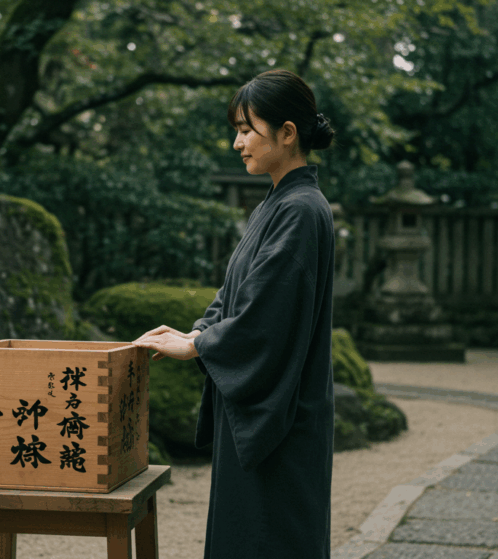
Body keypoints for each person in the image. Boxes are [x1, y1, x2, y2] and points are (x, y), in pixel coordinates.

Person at [133, 69, 336, 559]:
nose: (237, 143)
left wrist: (200, 346)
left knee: (273, 538)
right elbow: (236, 293)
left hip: (283, 411)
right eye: (237, 130)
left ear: (287, 133)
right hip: (259, 403)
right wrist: (199, 331)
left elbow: (268, 313)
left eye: (247, 130)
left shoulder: (301, 209)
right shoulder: (276, 204)